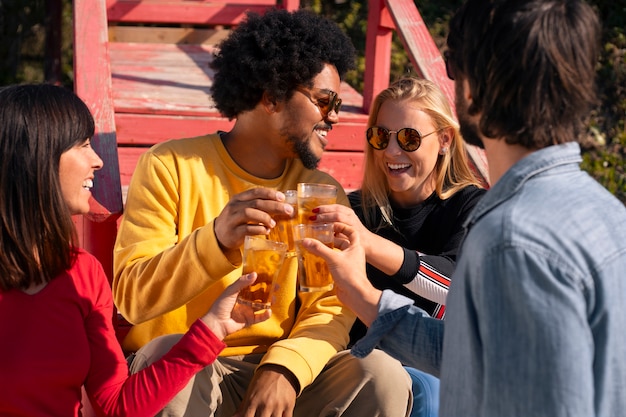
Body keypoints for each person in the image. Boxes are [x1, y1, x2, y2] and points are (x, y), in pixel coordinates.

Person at [302, 1, 626, 416]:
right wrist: (363, 295)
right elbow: (475, 355)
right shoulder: (606, 211)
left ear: (474, 88)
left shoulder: (512, 236)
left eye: (452, 63)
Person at [113, 8, 411, 417]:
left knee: (381, 373)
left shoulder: (323, 193)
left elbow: (331, 306)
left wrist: (286, 368)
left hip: (283, 373)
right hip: (194, 366)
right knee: (167, 353)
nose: (336, 117)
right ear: (271, 96)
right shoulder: (170, 167)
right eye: (325, 101)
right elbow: (131, 299)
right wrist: (216, 239)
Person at [0, 84, 272, 417]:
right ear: (35, 156)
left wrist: (213, 326)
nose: (97, 160)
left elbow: (119, 405)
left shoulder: (83, 273)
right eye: (83, 145)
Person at [312, 76, 485, 417]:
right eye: (380, 136)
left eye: (409, 138)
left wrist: (366, 242)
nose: (391, 152)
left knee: (422, 390)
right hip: (354, 366)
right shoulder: (356, 209)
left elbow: (452, 284)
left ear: (445, 140)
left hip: (429, 369)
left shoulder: (471, 207)